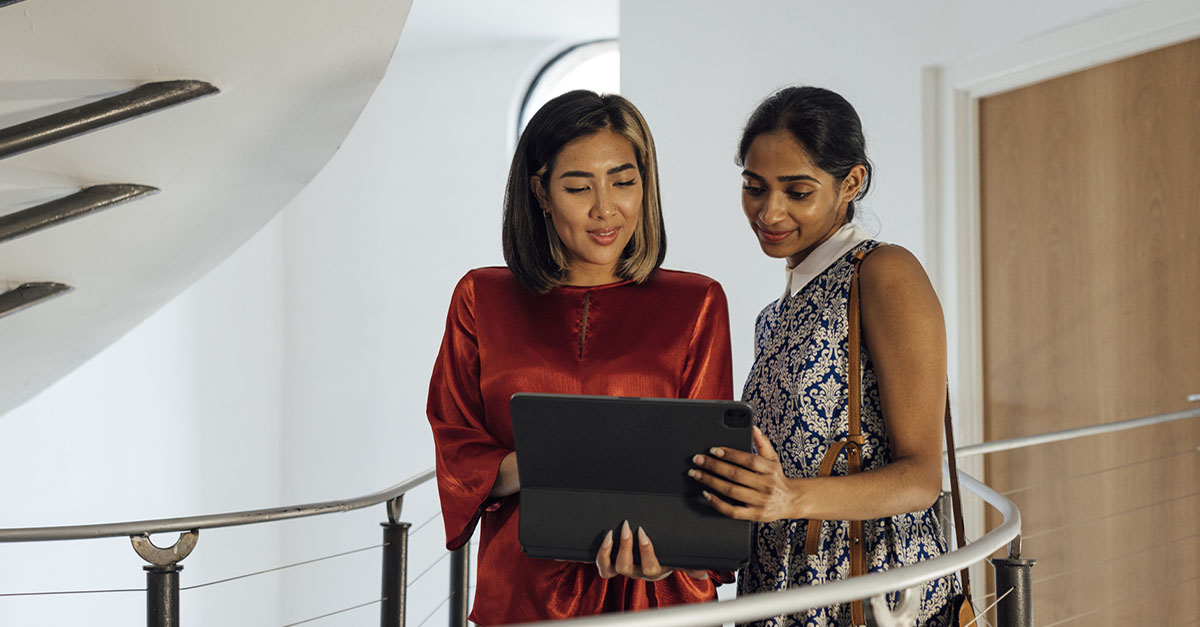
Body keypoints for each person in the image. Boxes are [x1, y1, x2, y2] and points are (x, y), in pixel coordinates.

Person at [426, 90, 733, 625]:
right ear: (540, 192)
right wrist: (549, 463)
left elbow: (708, 467)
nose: (604, 208)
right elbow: (456, 442)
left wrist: (669, 561)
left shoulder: (698, 302)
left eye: (623, 181)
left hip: (655, 599)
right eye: (577, 186)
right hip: (522, 591)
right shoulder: (481, 297)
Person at [687, 86, 960, 626]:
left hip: (871, 597)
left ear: (851, 182)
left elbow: (921, 478)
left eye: (797, 191)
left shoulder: (885, 273)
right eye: (754, 187)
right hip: (780, 593)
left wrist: (789, 500)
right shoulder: (774, 315)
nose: (770, 211)